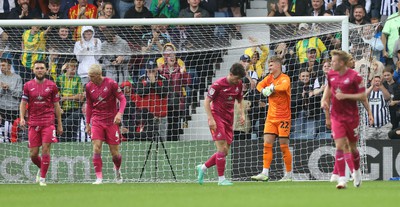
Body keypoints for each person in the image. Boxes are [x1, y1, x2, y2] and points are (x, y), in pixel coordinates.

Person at [321, 50, 370, 189]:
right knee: (339, 145)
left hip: (351, 117)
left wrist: (346, 96)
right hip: (336, 116)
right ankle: (342, 179)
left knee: (353, 148)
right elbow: (329, 91)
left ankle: (357, 171)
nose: (332, 64)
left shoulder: (355, 76)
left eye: (334, 61)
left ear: (342, 63)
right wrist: (325, 101)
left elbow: (362, 97)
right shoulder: (331, 74)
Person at [196, 63, 246, 186]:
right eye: (236, 78)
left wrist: (242, 114)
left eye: (239, 79)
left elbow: (240, 100)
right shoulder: (218, 84)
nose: (238, 81)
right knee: (221, 148)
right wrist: (210, 118)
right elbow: (207, 102)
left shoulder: (238, 84)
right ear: (230, 74)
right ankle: (221, 179)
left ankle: (203, 167)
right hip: (216, 117)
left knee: (225, 151)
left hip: (229, 119)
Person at [19, 60, 63, 186]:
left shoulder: (52, 85)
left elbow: (56, 106)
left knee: (45, 149)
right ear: (33, 70)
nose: (39, 70)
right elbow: (23, 103)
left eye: (42, 68)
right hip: (33, 123)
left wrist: (59, 124)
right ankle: (41, 168)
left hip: (48, 122)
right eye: (37, 68)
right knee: (33, 154)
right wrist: (22, 118)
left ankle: (43, 179)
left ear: (46, 70)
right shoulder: (27, 85)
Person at [251, 56, 293, 182]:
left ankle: (289, 174)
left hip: (283, 117)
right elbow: (258, 85)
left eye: (271, 65)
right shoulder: (268, 78)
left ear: (278, 66)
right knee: (267, 145)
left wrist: (272, 88)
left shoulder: (285, 78)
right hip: (271, 117)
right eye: (268, 65)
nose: (269, 67)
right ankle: (265, 172)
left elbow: (283, 87)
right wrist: (264, 90)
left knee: (283, 146)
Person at [85, 64, 127, 184]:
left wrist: (119, 114)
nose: (90, 78)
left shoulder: (111, 83)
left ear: (99, 75)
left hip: (111, 121)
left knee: (115, 153)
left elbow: (123, 99)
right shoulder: (88, 87)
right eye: (89, 76)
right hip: (97, 121)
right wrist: (88, 123)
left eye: (92, 76)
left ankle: (117, 170)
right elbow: (89, 106)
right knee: (96, 147)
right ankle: (99, 178)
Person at [0, 58, 22, 141]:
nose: (1, 68)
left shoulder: (17, 78)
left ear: (9, 66)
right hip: (2, 108)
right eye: (0, 66)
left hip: (14, 109)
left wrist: (9, 88)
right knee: (3, 133)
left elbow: (19, 94)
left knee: (12, 133)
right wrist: (2, 89)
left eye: (3, 65)